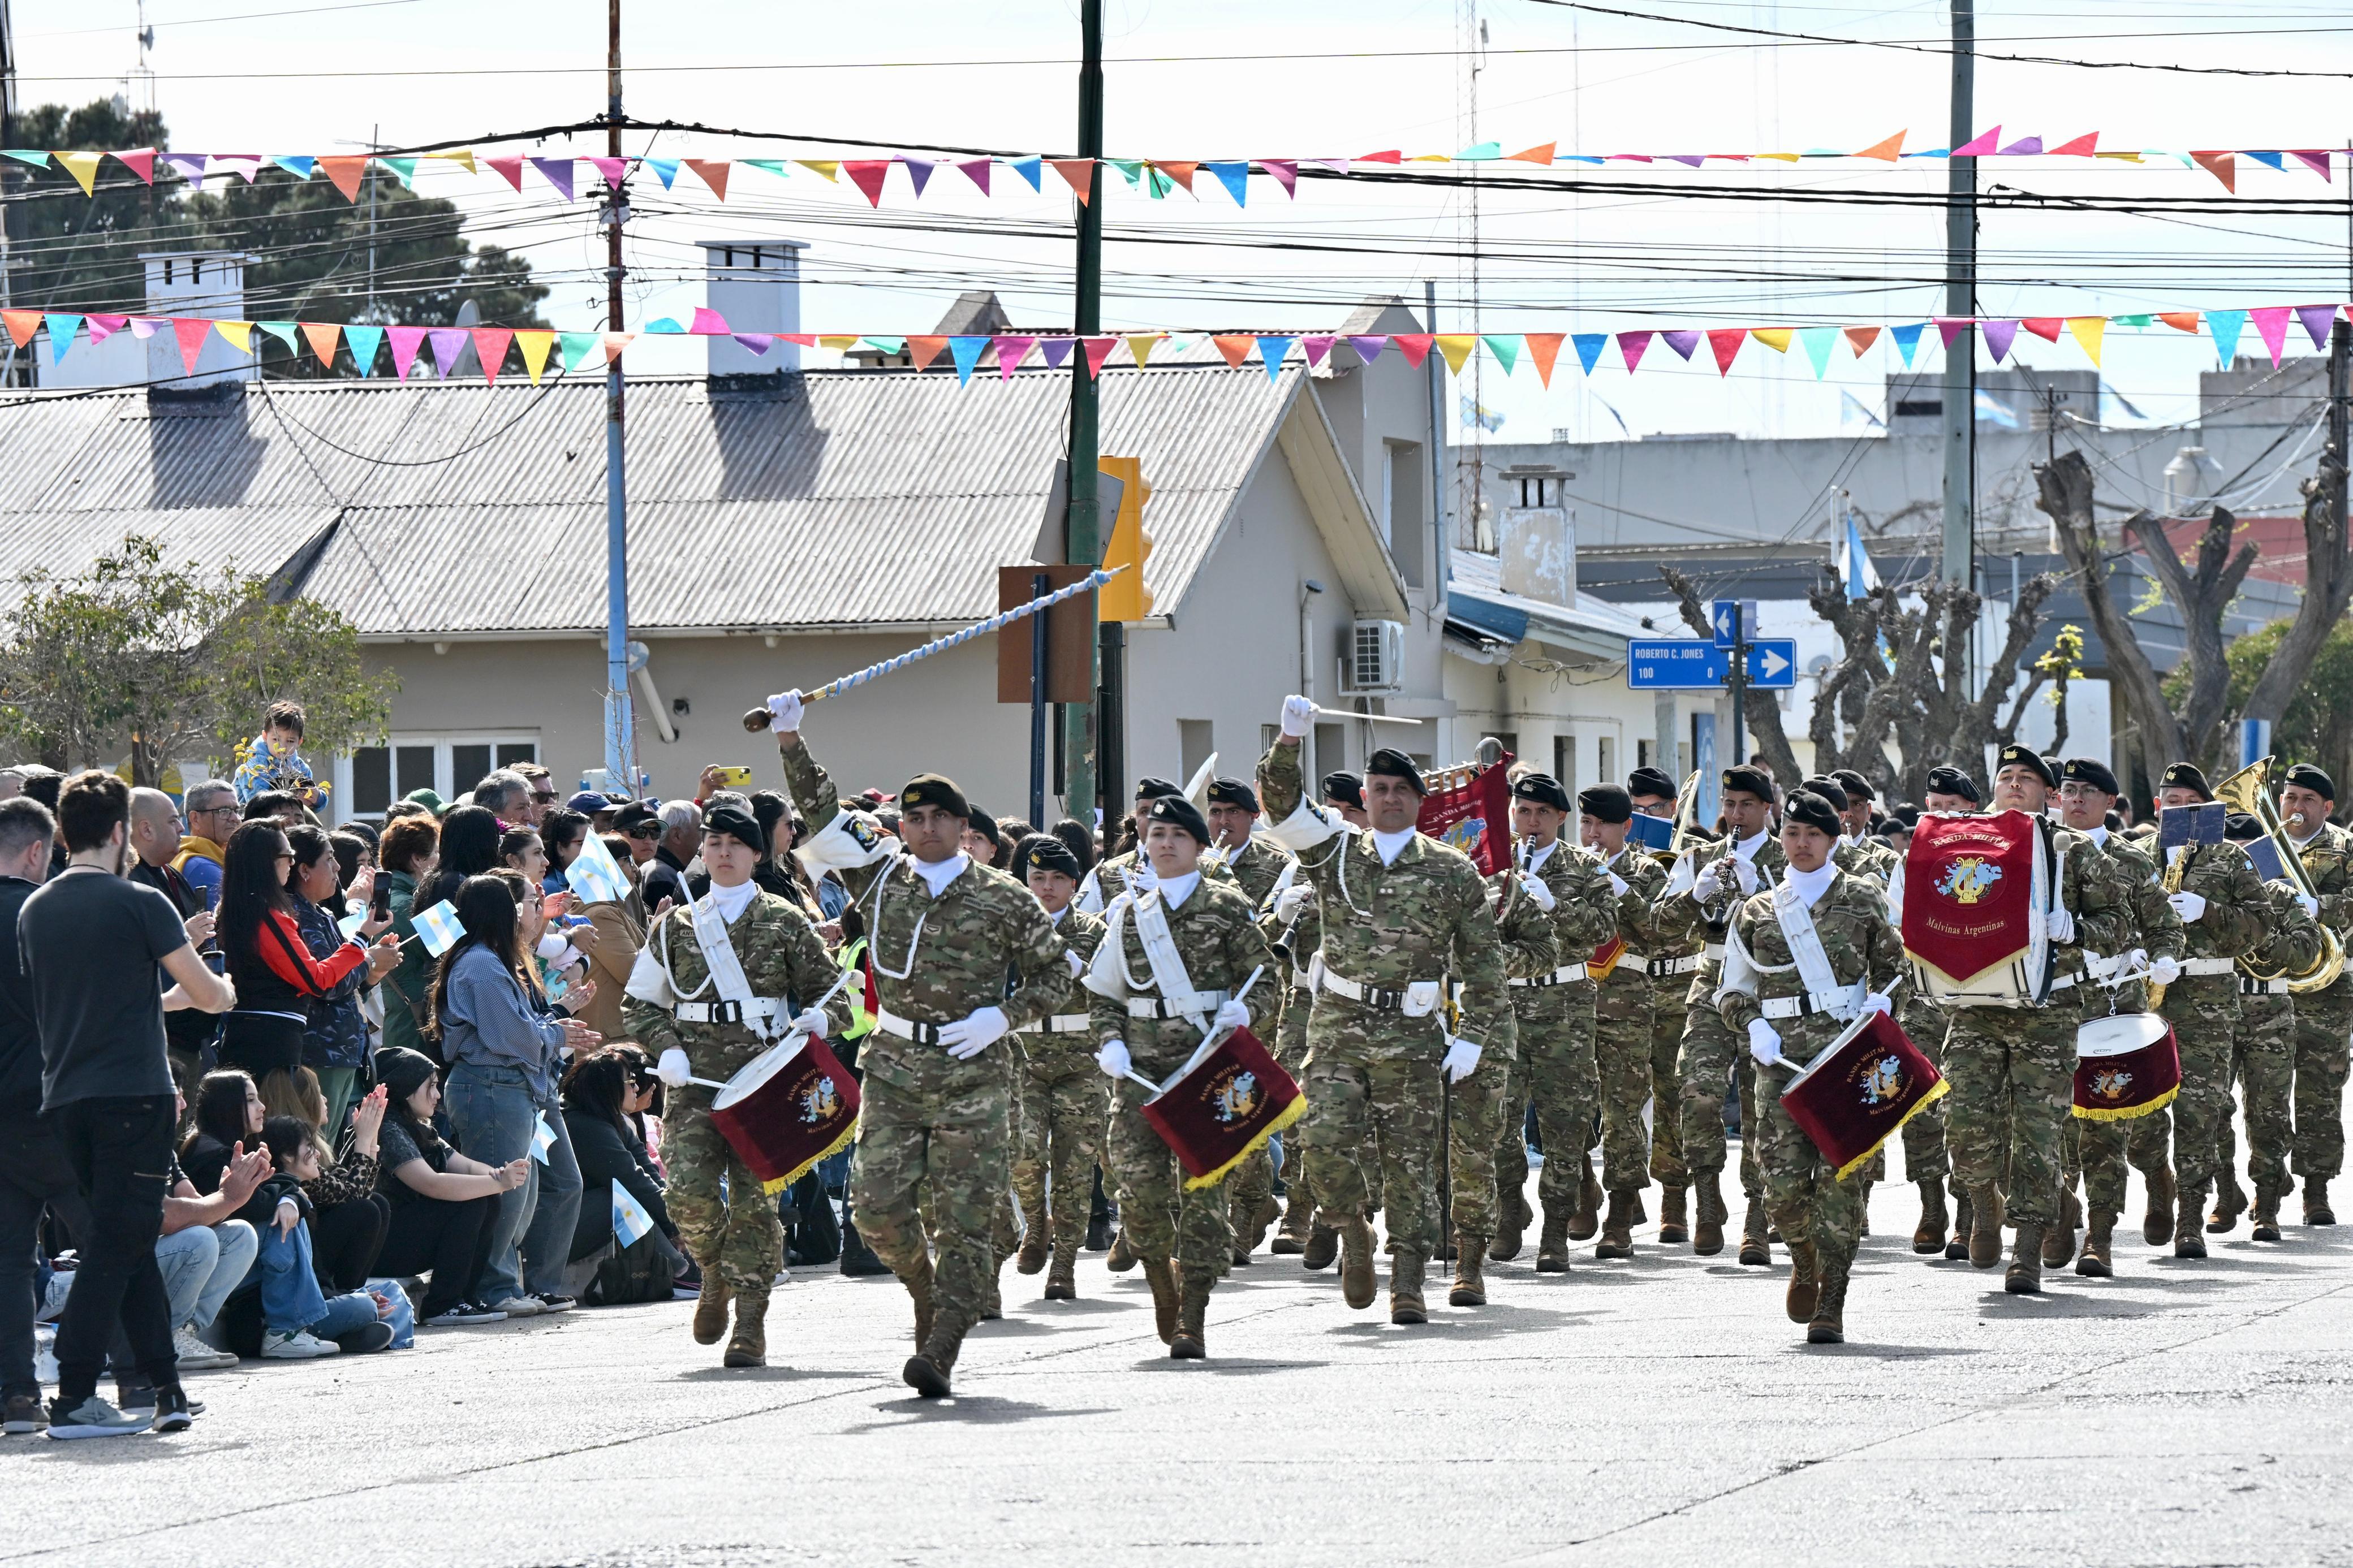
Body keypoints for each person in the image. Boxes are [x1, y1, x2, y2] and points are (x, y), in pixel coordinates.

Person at [770, 689, 1065, 1398]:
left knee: (967, 1219)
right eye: (914, 816)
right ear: (900, 825)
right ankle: (926, 1288)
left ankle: (941, 1344)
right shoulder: (879, 881)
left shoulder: (1003, 897)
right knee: (873, 1208)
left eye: (939, 817)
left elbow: (1058, 976)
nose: (925, 826)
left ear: (964, 828)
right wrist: (788, 739)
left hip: (973, 1072)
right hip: (898, 1068)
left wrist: (1006, 1014)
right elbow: (821, 811)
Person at [1256, 698, 1512, 1327]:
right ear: (1364, 797)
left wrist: (1473, 1037)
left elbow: (1483, 966)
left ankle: (1406, 1279)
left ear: (1418, 799)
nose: (1389, 798)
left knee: (1409, 1162)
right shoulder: (1333, 854)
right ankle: (1352, 1230)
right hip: (1339, 1027)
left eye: (1400, 789)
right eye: (1378, 789)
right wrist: (1289, 738)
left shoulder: (1450, 872)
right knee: (1319, 1143)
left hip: (1411, 1034)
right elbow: (1282, 806)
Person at [20, 770, 234, 1437]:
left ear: (62, 832)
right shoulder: (140, 902)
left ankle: (162, 1389)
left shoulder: (36, 908)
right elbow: (202, 992)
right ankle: (76, 1390)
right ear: (120, 833)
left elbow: (103, 1000)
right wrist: (224, 990)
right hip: (133, 1096)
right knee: (119, 1241)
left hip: (66, 1099)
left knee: (129, 1234)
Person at [623, 800, 851, 1366]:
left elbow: (835, 992)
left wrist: (822, 1020)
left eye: (735, 844)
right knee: (687, 1197)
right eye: (714, 842)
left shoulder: (783, 919)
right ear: (702, 850)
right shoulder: (676, 925)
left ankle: (750, 1322)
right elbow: (640, 1001)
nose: (723, 853)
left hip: (766, 1083)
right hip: (695, 1079)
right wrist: (666, 1046)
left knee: (754, 1206)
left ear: (755, 853)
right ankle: (713, 1274)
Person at [1895, 745, 2130, 1293]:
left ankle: (2024, 1247)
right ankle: (1982, 1199)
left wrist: (2074, 928)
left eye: (2027, 778)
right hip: (1974, 1007)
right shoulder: (1956, 844)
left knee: (2037, 1133)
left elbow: (2118, 923)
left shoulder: (2067, 849)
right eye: (2006, 776)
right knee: (1963, 1123)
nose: (2015, 784)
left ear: (2047, 795)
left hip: (2047, 1012)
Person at [1083, 794, 1275, 1358]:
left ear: (1197, 846)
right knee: (1137, 1194)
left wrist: (1248, 1012)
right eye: (1157, 833)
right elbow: (1102, 995)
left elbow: (1264, 977)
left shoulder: (1226, 906)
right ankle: (1159, 1280)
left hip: (1207, 1072)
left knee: (1202, 1197)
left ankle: (1193, 1312)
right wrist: (1110, 1042)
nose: (1164, 843)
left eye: (1178, 835)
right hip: (1139, 1073)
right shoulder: (1127, 914)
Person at [1713, 787, 1906, 1344]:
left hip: (1848, 1057)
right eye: (1792, 834)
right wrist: (1750, 1025)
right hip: (1779, 1063)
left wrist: (1885, 1002)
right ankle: (1802, 1257)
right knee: (1780, 1189)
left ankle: (1833, 1300)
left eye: (1813, 835)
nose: (1801, 844)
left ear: (1832, 840)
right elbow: (1731, 990)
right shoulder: (1757, 911)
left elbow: (1901, 969)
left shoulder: (1862, 899)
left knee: (1841, 1182)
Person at [432, 874, 600, 1319]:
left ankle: (532, 1284)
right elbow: (513, 1036)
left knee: (536, 1191)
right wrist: (556, 1030)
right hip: (490, 1085)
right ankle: (495, 1286)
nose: (528, 913)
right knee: (503, 1193)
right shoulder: (483, 963)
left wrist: (554, 1025)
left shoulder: (496, 959)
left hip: (515, 1086)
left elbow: (524, 1029)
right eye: (519, 904)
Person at [2052, 757, 2181, 1277]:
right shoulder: (2043, 856)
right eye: (2069, 789)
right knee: (2058, 1123)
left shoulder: (2132, 861)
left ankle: (2106, 1229)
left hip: (2117, 1000)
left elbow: (2163, 922)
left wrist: (2166, 955)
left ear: (2110, 802)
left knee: (2120, 1118)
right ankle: (2064, 1216)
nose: (2076, 798)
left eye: (2088, 791)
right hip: (2058, 1004)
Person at [1656, 765, 1785, 1265]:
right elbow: (1657, 925)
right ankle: (1707, 1195)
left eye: (1746, 806)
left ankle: (1757, 1211)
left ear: (1767, 808)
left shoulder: (1784, 856)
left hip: (1765, 985)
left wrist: (1761, 893)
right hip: (1712, 981)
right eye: (1729, 805)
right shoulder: (1698, 857)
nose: (1735, 815)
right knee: (1697, 1090)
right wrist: (1696, 893)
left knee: (1761, 1104)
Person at [1489, 774, 1614, 1272]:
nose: (1532, 822)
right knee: (1498, 1121)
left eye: (1543, 813)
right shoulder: (1493, 867)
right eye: (1523, 811)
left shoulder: (1584, 868)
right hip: (1507, 1007)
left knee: (1565, 1123)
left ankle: (1556, 1227)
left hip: (1565, 1008)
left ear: (1561, 818)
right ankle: (1507, 1208)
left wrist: (1555, 904)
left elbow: (1605, 929)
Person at [2144, 762, 2266, 1259]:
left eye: (2190, 804)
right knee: (2142, 1114)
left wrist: (2209, 911)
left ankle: (2190, 1217)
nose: (2178, 811)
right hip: (2146, 996)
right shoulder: (2135, 858)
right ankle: (2158, 1180)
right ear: (2158, 807)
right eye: (2170, 803)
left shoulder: (2231, 860)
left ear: (2207, 811)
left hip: (2209, 1001)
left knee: (2199, 1113)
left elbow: (2262, 926)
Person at [1446, 819, 1559, 1305]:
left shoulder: (1503, 885)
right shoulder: (1391, 879)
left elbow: (1545, 950)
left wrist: (1487, 956)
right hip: (1410, 1022)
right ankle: (1408, 1255)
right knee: (1411, 1146)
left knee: (1475, 1146)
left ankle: (1470, 1262)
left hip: (1485, 1024)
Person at [215, 820, 400, 1107]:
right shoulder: (268, 914)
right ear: (266, 862)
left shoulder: (247, 907)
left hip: (265, 1040)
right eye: (287, 857)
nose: (291, 863)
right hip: (271, 1047)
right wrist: (363, 943)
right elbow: (317, 979)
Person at [1008, 833, 1107, 1300]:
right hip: (1025, 1061)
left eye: (1056, 879)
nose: (1046, 887)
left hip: (1080, 1063)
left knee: (1074, 1166)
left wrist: (1079, 963)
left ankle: (1064, 1261)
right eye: (1037, 878)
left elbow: (1111, 985)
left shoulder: (1093, 929)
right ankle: (1035, 1224)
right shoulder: (1011, 928)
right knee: (1024, 1154)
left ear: (1073, 884)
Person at [2218, 811, 2325, 1243]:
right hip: (2217, 1010)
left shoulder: (2281, 895)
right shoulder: (2209, 897)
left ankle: (2267, 1203)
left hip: (2271, 1011)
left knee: (2268, 1114)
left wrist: (2258, 933)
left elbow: (2308, 951)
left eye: (2249, 852)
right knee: (2210, 1110)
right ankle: (2226, 1190)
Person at [1579, 782, 1673, 1255]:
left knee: (1621, 1112)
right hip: (1570, 1005)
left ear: (1626, 827)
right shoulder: (1567, 868)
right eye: (1587, 824)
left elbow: (1659, 928)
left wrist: (1616, 885)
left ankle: (1619, 1214)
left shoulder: (1645, 871)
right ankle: (1581, 1186)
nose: (1593, 834)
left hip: (1627, 1005)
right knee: (1569, 1109)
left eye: (1603, 825)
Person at [370, 1047, 525, 1325]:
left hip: (406, 1236)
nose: (438, 1095)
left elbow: (463, 1165)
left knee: (488, 1197)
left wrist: (501, 1175)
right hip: (380, 1248)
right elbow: (431, 1184)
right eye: (430, 1086)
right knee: (474, 1200)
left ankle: (465, 1296)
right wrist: (496, 1181)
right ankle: (442, 1305)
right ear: (406, 1088)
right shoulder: (388, 1128)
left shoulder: (418, 1126)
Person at [0, 796, 64, 1435]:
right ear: (37, 851)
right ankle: (134, 1376)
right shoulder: (40, 916)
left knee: (8, 1258)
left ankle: (18, 1393)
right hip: (47, 1101)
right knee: (108, 1238)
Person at [243, 1116, 397, 1358]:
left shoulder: (295, 1199)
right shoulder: (282, 1209)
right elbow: (296, 1289)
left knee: (364, 1303)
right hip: (264, 1320)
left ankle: (340, 1334)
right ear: (287, 1156)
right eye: (309, 1147)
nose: (317, 1154)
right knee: (364, 1307)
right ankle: (329, 1334)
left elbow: (314, 1282)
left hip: (300, 1307)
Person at [2277, 763, 2351, 1226]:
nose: (2296, 807)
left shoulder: (2344, 849)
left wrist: (2319, 905)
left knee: (2320, 1090)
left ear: (2326, 807)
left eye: (2307, 799)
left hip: (2328, 989)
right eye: (2290, 797)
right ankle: (2265, 1186)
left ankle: (2316, 1188)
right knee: (2263, 1093)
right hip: (2269, 983)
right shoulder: (2263, 845)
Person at [558, 1048, 686, 1305]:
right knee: (618, 1197)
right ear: (607, 1088)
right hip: (556, 1235)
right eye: (630, 1082)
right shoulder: (584, 1125)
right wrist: (679, 1226)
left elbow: (651, 1177)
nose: (637, 1088)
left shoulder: (613, 1121)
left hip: (580, 1221)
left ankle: (686, 1268)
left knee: (633, 1194)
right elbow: (633, 1183)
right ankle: (683, 1273)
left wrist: (677, 1224)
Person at [126, 787, 218, 1102]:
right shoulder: (128, 882)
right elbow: (131, 958)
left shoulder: (170, 872)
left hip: (190, 1034)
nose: (182, 828)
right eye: (173, 820)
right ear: (146, 829)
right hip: (158, 1034)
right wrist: (185, 939)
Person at [283, 825, 376, 1131]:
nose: (338, 868)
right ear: (305, 870)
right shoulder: (297, 917)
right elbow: (329, 982)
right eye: (329, 859)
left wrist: (370, 964)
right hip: (321, 1051)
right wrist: (370, 961)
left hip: (342, 1050)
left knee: (327, 1152)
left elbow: (347, 973)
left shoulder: (320, 913)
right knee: (314, 1148)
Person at [378, 813, 441, 1059]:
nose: (440, 861)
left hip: (410, 1024)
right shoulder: (405, 905)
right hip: (412, 1030)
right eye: (436, 853)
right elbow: (445, 949)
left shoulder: (403, 899)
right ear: (417, 859)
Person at [231, 700, 326, 810]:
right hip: (251, 821)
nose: (282, 747)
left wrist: (318, 798)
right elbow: (257, 804)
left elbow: (311, 808)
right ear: (265, 737)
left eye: (290, 741)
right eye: (276, 739)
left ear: (299, 742)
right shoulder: (254, 766)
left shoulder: (300, 767)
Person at [171, 779, 239, 913]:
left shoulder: (209, 857)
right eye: (224, 811)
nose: (235, 818)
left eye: (237, 810)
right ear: (195, 819)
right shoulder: (202, 867)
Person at [643, 800, 700, 917]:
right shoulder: (660, 876)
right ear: (676, 835)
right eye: (700, 829)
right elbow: (663, 931)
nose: (706, 836)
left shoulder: (663, 870)